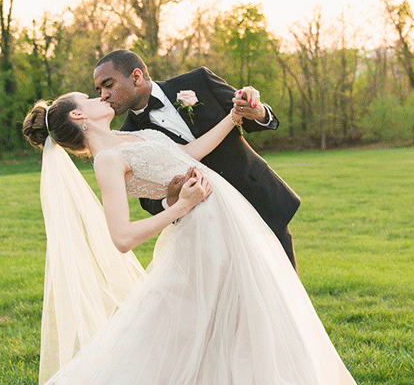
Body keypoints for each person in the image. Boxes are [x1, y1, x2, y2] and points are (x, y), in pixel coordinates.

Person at [20, 92, 369, 385]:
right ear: (80, 115)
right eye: (88, 96)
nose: (100, 95)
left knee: (240, 320)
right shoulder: (107, 160)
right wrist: (179, 206)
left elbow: (190, 152)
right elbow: (121, 238)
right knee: (211, 325)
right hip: (203, 234)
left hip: (230, 221)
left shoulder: (134, 137)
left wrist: (233, 117)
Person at [93, 49, 301, 268]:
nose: (103, 95)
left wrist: (258, 112)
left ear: (136, 77)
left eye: (109, 85)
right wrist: (171, 199)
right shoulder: (126, 138)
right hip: (210, 223)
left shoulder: (198, 80)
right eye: (99, 90)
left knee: (287, 291)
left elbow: (243, 112)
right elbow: (147, 199)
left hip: (256, 196)